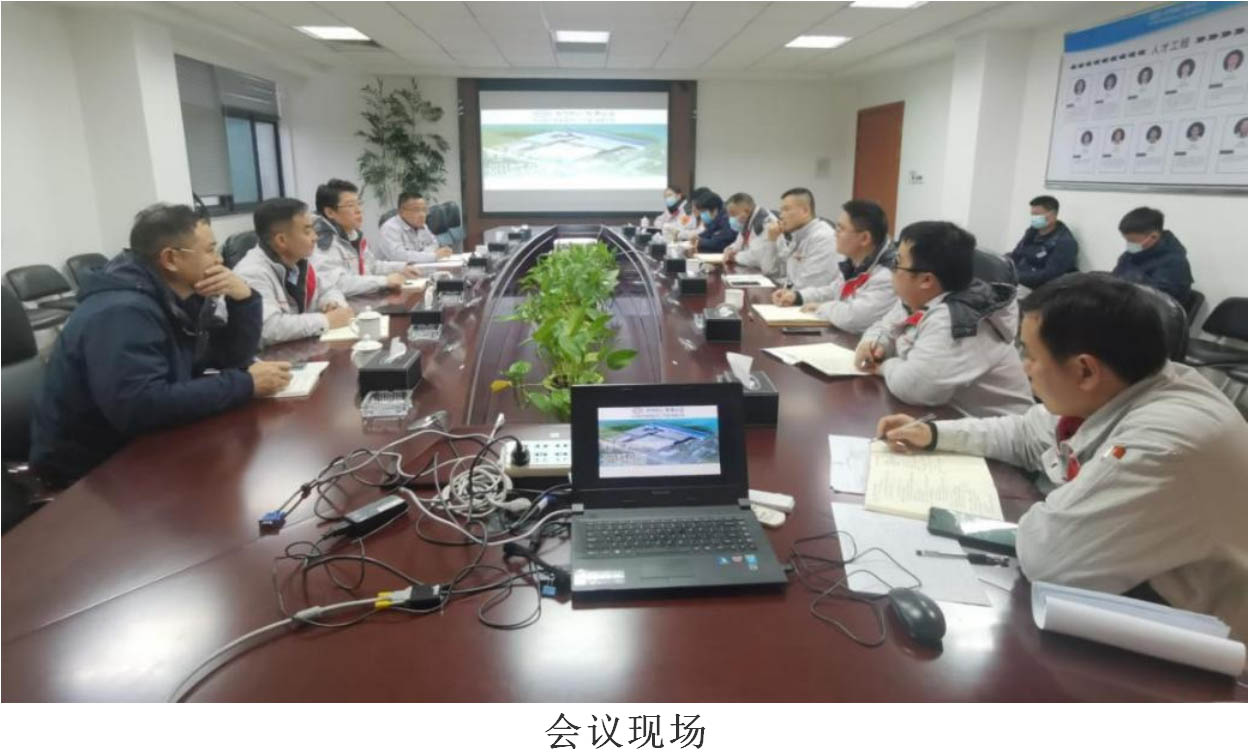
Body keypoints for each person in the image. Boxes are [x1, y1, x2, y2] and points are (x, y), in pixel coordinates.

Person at [875, 273, 1247, 641]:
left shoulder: (1164, 444)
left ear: (1085, 369)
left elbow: (1048, 558)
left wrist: (1053, 509)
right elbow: (1026, 433)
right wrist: (934, 434)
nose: (1024, 367)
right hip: (1135, 590)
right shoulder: (1122, 384)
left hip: (1201, 643)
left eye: (1030, 354)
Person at [29, 204, 290, 488]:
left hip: (141, 443)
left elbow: (229, 357)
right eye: (210, 250)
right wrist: (245, 384)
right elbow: (140, 406)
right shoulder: (122, 311)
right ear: (170, 259)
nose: (220, 260)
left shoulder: (176, 298)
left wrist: (244, 300)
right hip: (91, 469)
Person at [855, 221, 1032, 418]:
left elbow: (915, 387)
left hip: (993, 427)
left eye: (897, 263)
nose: (892, 270)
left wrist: (884, 366)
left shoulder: (959, 318)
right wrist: (875, 343)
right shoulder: (918, 298)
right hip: (948, 416)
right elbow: (884, 325)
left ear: (926, 280)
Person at [235, 198, 356, 346]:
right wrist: (327, 320)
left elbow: (329, 289)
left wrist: (332, 304)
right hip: (267, 357)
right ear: (281, 240)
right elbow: (269, 328)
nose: (315, 237)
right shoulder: (252, 272)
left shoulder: (299, 260)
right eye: (307, 231)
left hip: (300, 349)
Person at [786, 199, 899, 335]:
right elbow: (834, 290)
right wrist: (798, 296)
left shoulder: (887, 276)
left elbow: (854, 318)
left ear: (864, 238)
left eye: (841, 229)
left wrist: (821, 308)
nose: (835, 234)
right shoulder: (855, 260)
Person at [311, 178, 421, 297]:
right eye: (350, 205)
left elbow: (371, 266)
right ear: (330, 212)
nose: (359, 210)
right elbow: (337, 283)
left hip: (361, 300)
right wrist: (384, 281)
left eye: (359, 203)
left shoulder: (353, 235)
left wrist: (401, 268)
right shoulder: (322, 241)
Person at [1111, 207, 1193, 306]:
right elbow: (1114, 280)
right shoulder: (1130, 255)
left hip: (1156, 311)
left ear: (1153, 236)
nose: (1129, 245)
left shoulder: (1175, 263)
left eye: (1133, 241)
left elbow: (1158, 301)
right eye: (1127, 241)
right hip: (1127, 304)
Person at [766, 187, 839, 298]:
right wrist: (773, 240)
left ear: (805, 211)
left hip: (814, 304)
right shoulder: (798, 234)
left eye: (786, 209)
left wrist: (787, 293)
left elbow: (810, 287)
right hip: (797, 298)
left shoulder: (823, 238)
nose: (781, 216)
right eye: (781, 210)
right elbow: (772, 270)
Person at [1005, 195, 1079, 291]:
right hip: (1019, 281)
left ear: (1053, 215)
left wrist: (1014, 277)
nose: (1034, 218)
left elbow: (1049, 275)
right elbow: (1016, 254)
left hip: (1040, 289)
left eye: (1037, 215)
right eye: (1032, 215)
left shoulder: (1065, 243)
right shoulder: (1032, 232)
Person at [378, 192, 453, 263]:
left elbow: (434, 244)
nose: (422, 215)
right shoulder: (389, 228)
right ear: (401, 212)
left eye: (424, 210)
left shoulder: (421, 226)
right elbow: (399, 257)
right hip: (394, 271)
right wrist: (432, 256)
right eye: (416, 210)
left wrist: (422, 255)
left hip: (418, 267)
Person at [721, 192, 780, 276]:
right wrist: (730, 249)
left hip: (772, 275)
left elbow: (756, 257)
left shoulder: (765, 223)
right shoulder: (748, 221)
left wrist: (734, 257)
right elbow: (739, 243)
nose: (731, 218)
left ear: (747, 210)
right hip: (754, 270)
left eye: (733, 214)